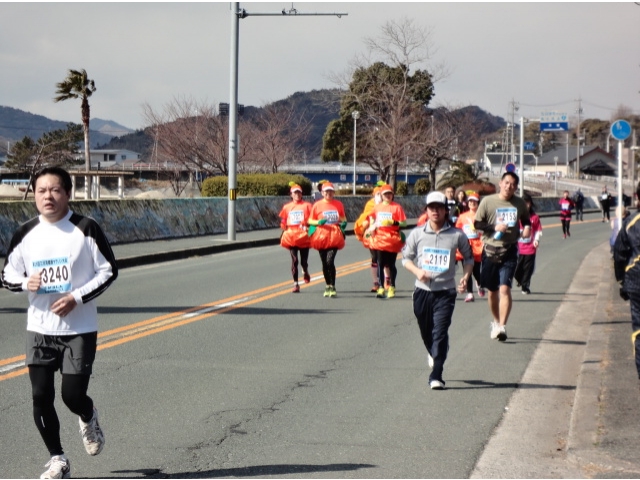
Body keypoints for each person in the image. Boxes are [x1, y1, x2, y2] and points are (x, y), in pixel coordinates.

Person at [1, 166, 118, 479]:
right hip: (40, 328)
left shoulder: (85, 228)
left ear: (68, 194)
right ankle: (58, 460)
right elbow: (7, 274)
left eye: (55, 190)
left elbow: (108, 271)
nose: (48, 196)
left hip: (78, 329)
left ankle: (88, 415)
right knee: (40, 395)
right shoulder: (25, 233)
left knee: (72, 396)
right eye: (41, 190)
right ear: (34, 195)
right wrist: (27, 283)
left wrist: (76, 297)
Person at [402, 191, 474, 390]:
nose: (435, 211)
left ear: (445, 210)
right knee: (428, 333)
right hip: (422, 291)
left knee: (440, 332)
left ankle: (437, 375)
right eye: (431, 208)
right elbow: (405, 259)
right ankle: (434, 351)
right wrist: (418, 271)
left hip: (445, 291)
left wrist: (465, 277)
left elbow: (469, 258)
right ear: (427, 210)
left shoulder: (457, 235)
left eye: (439, 208)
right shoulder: (417, 233)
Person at [474, 172, 531, 341]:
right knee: (492, 292)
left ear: (516, 187)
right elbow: (477, 224)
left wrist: (527, 228)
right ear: (500, 183)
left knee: (505, 289)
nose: (509, 186)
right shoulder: (487, 201)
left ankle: (502, 327)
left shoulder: (519, 203)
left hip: (509, 250)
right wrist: (493, 227)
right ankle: (496, 321)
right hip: (490, 250)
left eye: (513, 184)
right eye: (507, 183)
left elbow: (526, 220)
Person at [613, 186, 640, 382]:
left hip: (636, 282)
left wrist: (621, 281)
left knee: (639, 331)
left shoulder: (631, 222)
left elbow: (620, 253)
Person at [367, 184, 407, 299]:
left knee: (391, 264)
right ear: (382, 195)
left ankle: (392, 287)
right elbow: (372, 217)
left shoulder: (397, 207)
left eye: (389, 194)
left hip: (392, 238)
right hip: (380, 237)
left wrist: (393, 222)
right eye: (385, 194)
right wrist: (372, 227)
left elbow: (404, 223)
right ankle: (380, 287)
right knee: (380, 263)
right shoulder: (377, 207)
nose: (388, 196)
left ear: (392, 195)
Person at [308, 181, 347, 297]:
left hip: (334, 235)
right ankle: (328, 285)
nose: (329, 193)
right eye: (326, 191)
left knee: (330, 261)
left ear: (333, 192)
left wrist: (343, 223)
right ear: (322, 192)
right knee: (324, 263)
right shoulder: (317, 205)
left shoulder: (338, 204)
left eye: (331, 191)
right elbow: (310, 220)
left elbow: (343, 218)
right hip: (321, 235)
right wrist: (318, 222)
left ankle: (333, 286)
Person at [353, 183, 390, 292]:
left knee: (384, 259)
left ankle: (387, 279)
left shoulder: (389, 205)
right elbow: (364, 217)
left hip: (385, 235)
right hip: (372, 235)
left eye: (380, 194)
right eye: (377, 194)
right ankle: (376, 282)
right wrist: (365, 227)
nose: (379, 196)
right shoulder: (370, 205)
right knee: (374, 258)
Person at [278, 182, 312, 293]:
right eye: (295, 193)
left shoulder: (307, 206)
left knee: (303, 261)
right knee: (294, 260)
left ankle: (305, 270)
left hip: (304, 236)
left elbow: (313, 219)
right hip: (292, 235)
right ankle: (296, 284)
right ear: (291, 194)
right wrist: (283, 225)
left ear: (302, 194)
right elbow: (283, 219)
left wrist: (310, 229)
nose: (297, 195)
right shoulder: (287, 207)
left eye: (299, 193)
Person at [455, 191, 484, 302]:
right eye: (470, 201)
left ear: (478, 203)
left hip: (478, 245)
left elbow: (486, 231)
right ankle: (470, 293)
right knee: (467, 270)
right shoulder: (462, 217)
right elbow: (457, 230)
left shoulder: (482, 216)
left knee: (476, 270)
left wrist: (477, 230)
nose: (472, 203)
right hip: (465, 246)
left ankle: (480, 283)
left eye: (474, 202)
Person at [514, 193, 542, 295]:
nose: (526, 205)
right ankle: (519, 279)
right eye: (523, 203)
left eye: (528, 203)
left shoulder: (534, 217)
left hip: (530, 247)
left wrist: (536, 240)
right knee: (517, 268)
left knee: (528, 268)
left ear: (530, 204)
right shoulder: (516, 216)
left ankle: (525, 286)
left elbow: (537, 230)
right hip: (518, 247)